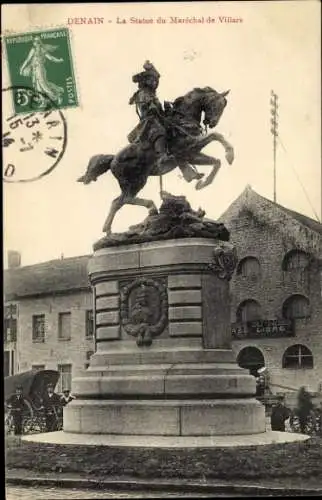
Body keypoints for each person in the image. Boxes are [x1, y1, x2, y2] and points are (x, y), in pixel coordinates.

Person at [128, 61, 204, 182]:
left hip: (158, 118)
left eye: (155, 80)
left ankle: (188, 173)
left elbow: (159, 110)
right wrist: (151, 107)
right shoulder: (141, 94)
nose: (154, 82)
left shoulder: (152, 94)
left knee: (176, 133)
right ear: (145, 81)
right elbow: (146, 110)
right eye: (151, 80)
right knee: (160, 131)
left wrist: (167, 109)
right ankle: (162, 156)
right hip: (149, 122)